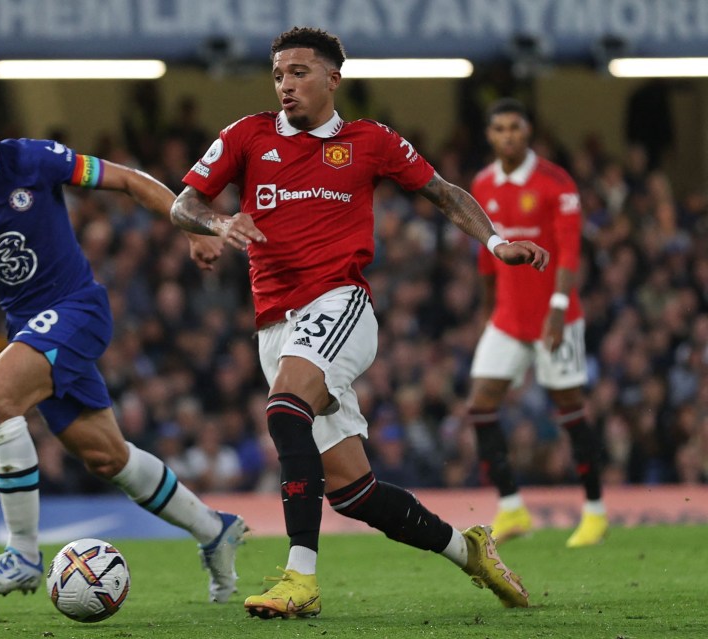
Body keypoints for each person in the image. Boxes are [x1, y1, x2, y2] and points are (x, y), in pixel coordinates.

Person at [170, 27, 547, 619]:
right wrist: (217, 226)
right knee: (354, 493)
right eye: (277, 75)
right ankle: (469, 551)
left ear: (332, 78)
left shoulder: (370, 141)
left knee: (284, 408)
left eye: (298, 72)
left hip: (340, 305)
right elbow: (182, 204)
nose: (285, 85)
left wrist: (496, 243)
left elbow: (444, 193)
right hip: (275, 324)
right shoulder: (247, 135)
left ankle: (301, 578)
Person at [0, 79, 246, 603]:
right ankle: (215, 529)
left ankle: (23, 553)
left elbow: (126, 180)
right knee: (109, 458)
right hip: (30, 329)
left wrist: (193, 229)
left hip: (78, 309)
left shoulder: (34, 160)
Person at [466, 98, 608, 547]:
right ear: (490, 135)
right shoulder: (483, 184)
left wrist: (560, 308)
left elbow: (569, 251)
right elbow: (486, 255)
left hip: (555, 316)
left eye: (515, 127)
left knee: (570, 406)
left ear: (528, 131)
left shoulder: (555, 182)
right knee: (480, 405)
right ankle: (511, 508)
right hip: (507, 318)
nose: (508, 135)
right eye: (499, 128)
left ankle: (595, 511)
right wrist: (486, 310)